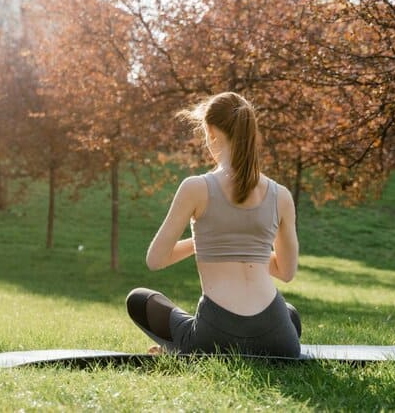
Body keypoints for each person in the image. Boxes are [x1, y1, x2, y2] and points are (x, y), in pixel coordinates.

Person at [126, 92, 301, 358]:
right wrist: (245, 249)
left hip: (213, 339)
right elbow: (286, 272)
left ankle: (177, 349)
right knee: (288, 314)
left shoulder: (196, 188)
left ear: (211, 132)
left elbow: (155, 260)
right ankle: (268, 335)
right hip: (280, 342)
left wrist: (201, 245)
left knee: (139, 300)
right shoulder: (282, 196)